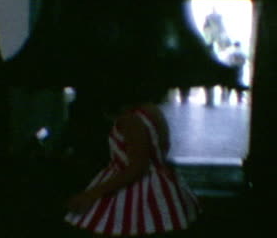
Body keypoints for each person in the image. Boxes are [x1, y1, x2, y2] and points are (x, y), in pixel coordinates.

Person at [64, 75, 201, 237]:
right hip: (160, 185)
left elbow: (136, 167)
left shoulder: (131, 120)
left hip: (135, 192)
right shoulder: (152, 110)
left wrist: (92, 194)